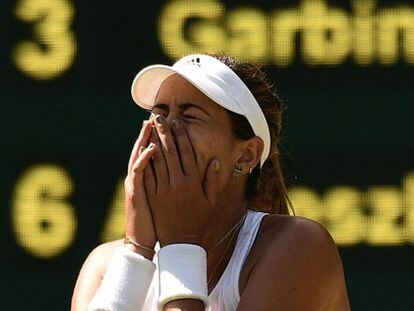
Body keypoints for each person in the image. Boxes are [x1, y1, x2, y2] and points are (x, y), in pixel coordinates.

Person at [71, 53, 350, 311]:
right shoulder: (104, 265)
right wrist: (137, 250)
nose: (165, 129)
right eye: (159, 114)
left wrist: (182, 244)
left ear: (245, 155)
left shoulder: (299, 247)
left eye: (190, 117)